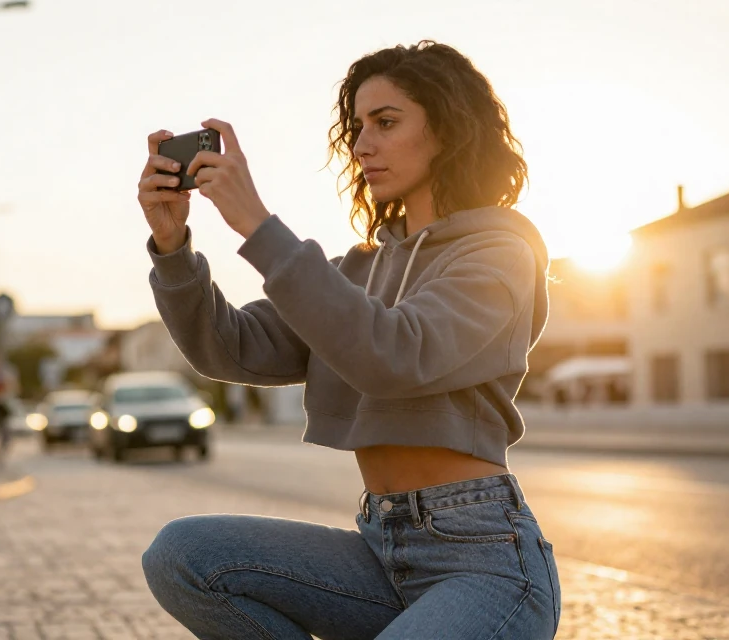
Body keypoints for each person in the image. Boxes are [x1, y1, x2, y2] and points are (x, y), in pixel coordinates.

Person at [137, 41, 560, 638]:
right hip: (379, 550)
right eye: (358, 127)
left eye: (386, 123)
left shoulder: (499, 254)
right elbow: (227, 346)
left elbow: (397, 354)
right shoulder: (353, 272)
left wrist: (257, 225)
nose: (362, 145)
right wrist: (173, 249)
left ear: (448, 129)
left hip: (482, 560)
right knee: (183, 556)